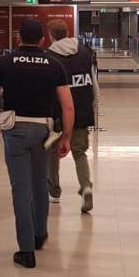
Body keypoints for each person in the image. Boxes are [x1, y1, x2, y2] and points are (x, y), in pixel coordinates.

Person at [0, 18, 75, 269]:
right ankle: (39, 234)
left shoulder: (5, 62)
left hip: (15, 130)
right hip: (44, 131)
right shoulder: (54, 64)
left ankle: (26, 250)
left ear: (18, 38)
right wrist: (66, 136)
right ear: (43, 40)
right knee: (39, 184)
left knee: (20, 189)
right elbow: (67, 104)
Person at [46, 19, 96, 213]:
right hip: (82, 110)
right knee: (79, 152)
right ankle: (86, 186)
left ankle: (54, 192)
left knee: (52, 153)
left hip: (57, 112)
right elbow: (92, 81)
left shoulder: (49, 56)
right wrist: (93, 104)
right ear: (67, 32)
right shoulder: (84, 51)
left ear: (50, 35)